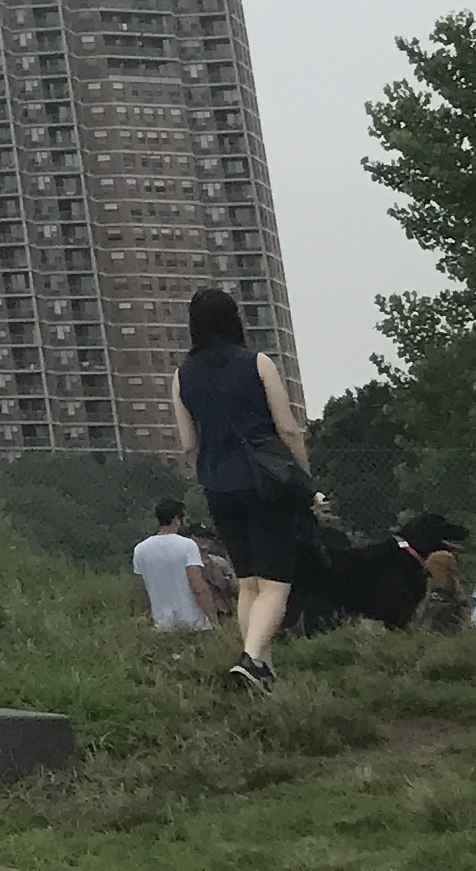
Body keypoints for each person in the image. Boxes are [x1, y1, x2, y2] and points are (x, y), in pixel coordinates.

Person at [172, 285, 311, 691]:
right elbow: (287, 427)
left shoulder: (181, 376)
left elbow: (187, 443)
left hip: (218, 485)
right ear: (234, 318)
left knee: (248, 582)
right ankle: (251, 659)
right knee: (276, 582)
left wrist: (209, 473)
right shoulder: (259, 363)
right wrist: (302, 475)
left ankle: (261, 670)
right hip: (265, 484)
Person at [134, 497, 213, 630]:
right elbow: (197, 585)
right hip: (193, 623)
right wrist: (212, 618)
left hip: (162, 624)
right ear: (176, 519)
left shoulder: (140, 549)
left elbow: (143, 589)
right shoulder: (188, 545)